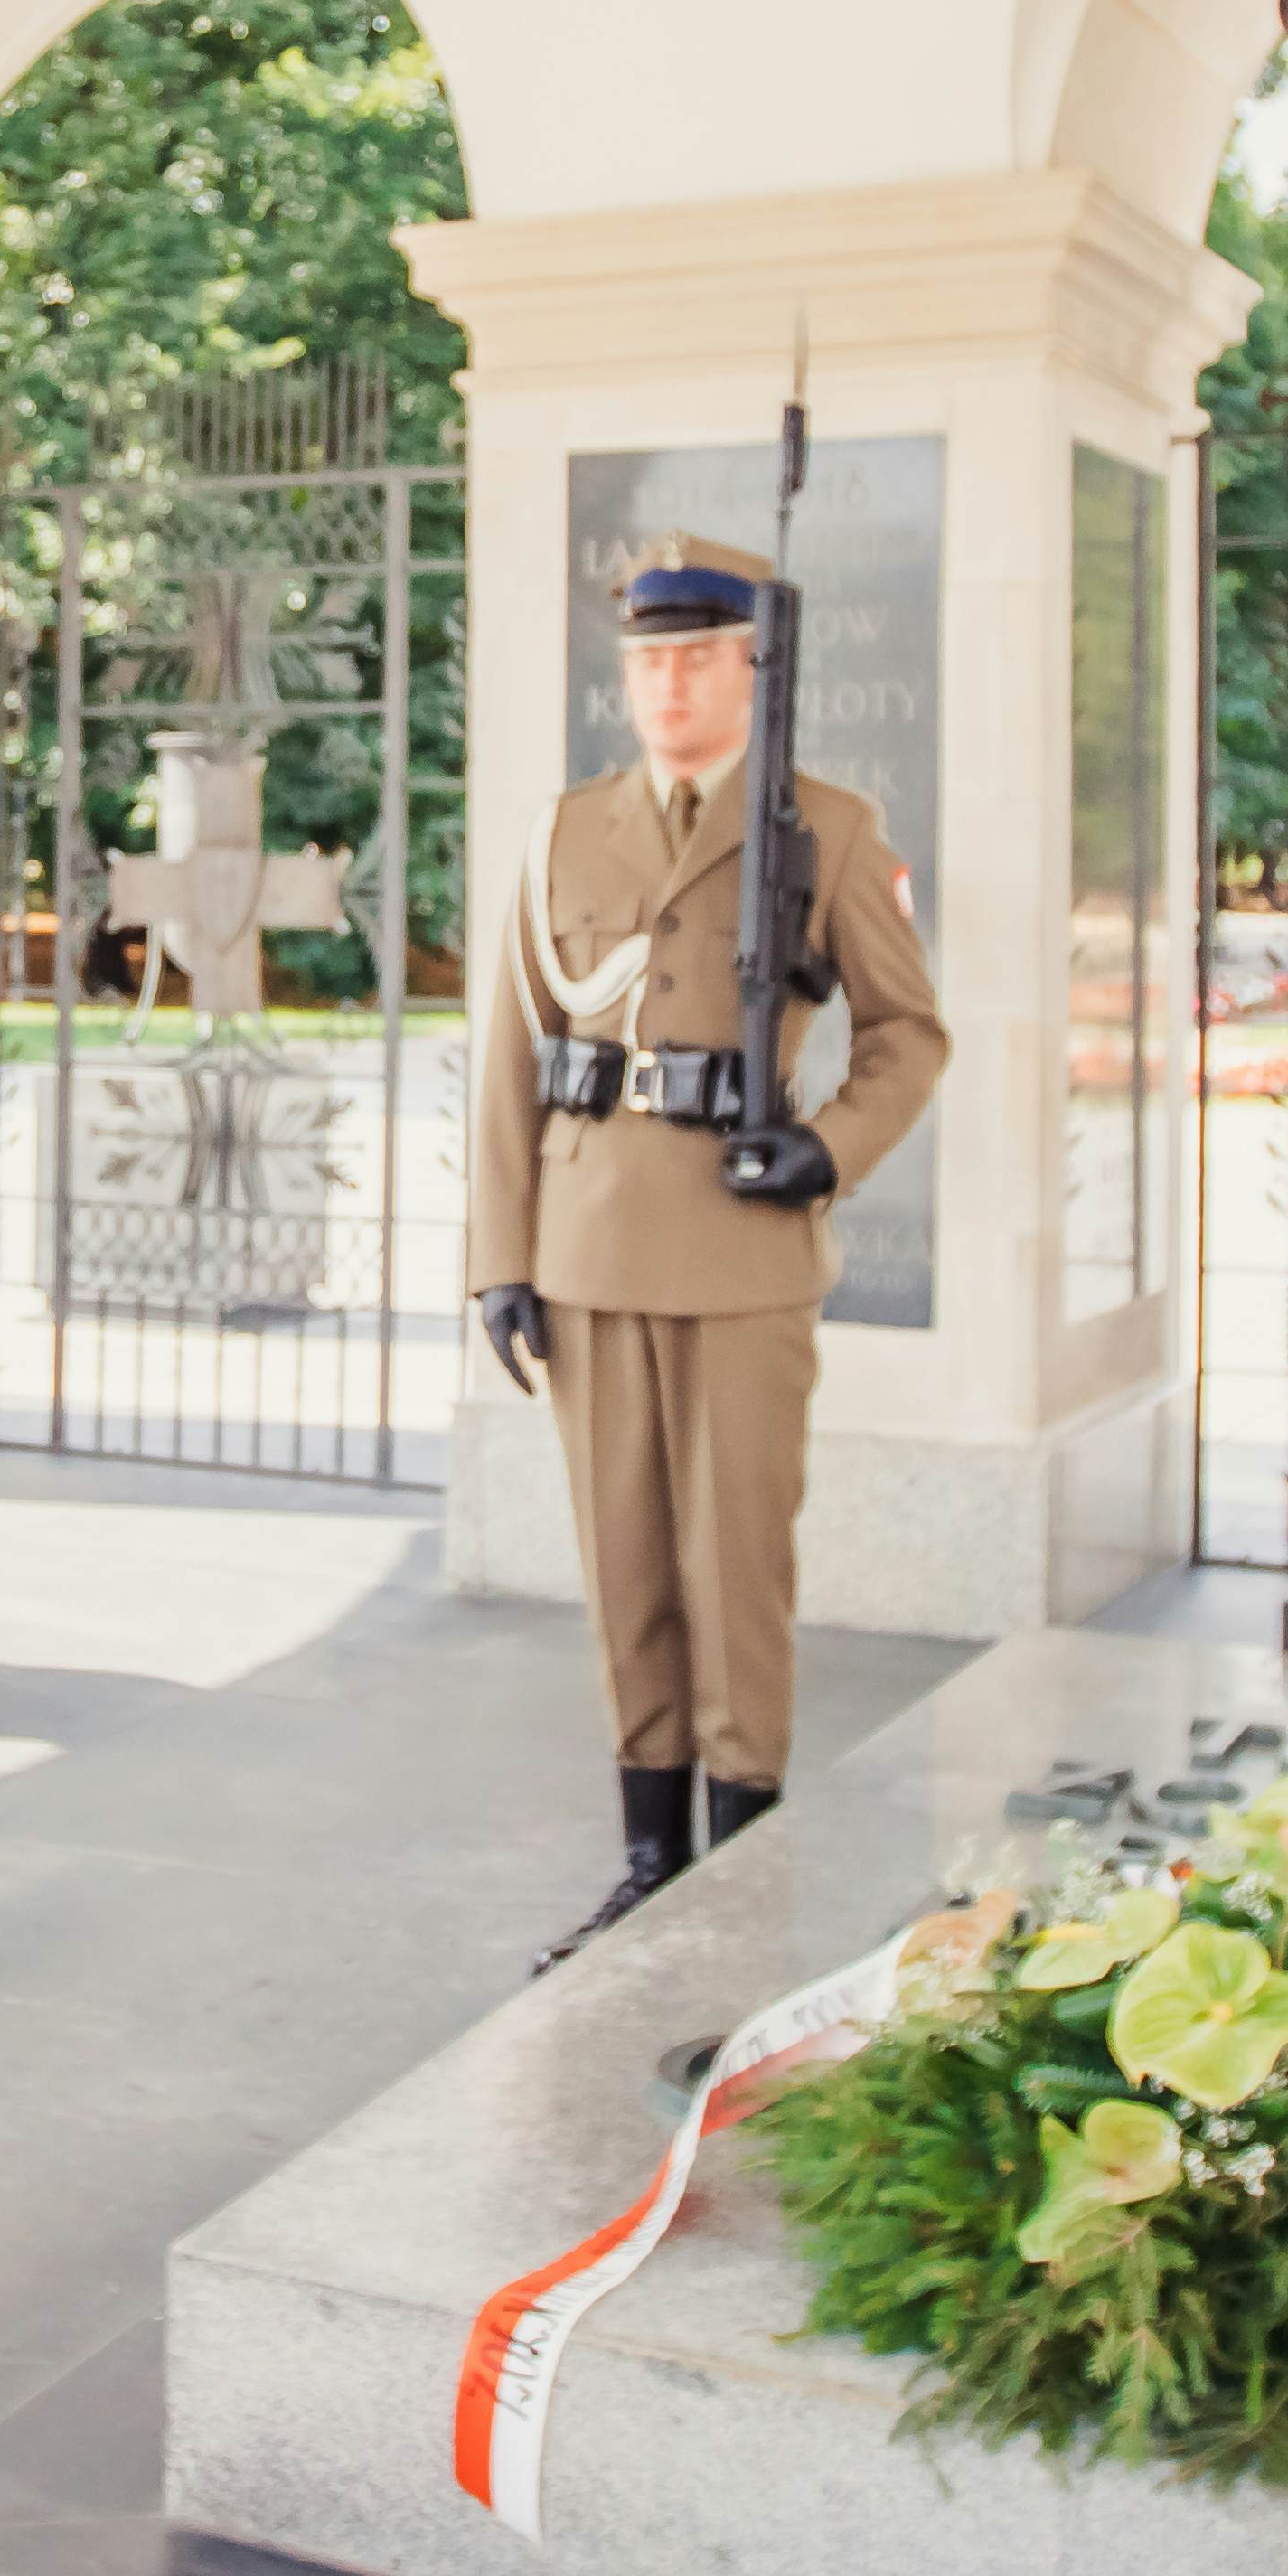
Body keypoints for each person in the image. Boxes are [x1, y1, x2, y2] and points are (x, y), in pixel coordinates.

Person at [465, 534, 947, 1962]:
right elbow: (510, 1049)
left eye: (696, 656)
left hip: (741, 1255)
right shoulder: (565, 830)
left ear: (751, 667)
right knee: (626, 1567)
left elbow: (908, 1035)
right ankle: (643, 1863)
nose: (668, 682)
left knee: (736, 1572)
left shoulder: (830, 829)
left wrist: (829, 1147)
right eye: (646, 659)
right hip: (587, 1242)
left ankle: (740, 1881)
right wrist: (500, 1253)